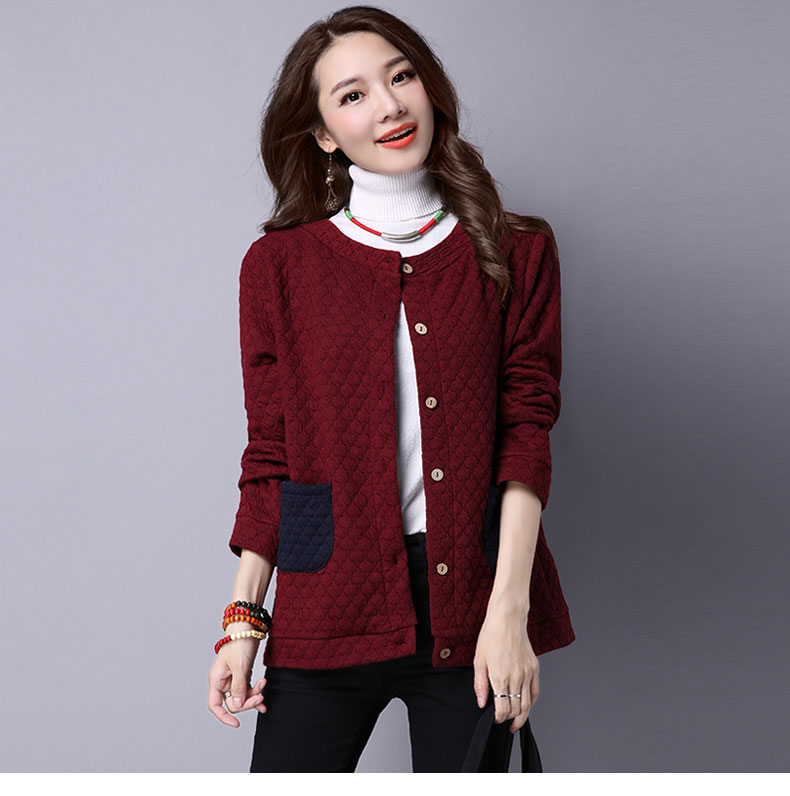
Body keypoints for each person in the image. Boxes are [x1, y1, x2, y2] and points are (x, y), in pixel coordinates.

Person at [207, 5, 575, 773]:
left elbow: (525, 433)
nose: (388, 105)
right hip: (326, 601)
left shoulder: (518, 251)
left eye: (400, 76)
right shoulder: (278, 267)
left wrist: (509, 612)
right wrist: (243, 624)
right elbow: (271, 453)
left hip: (471, 608)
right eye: (353, 95)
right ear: (321, 132)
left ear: (428, 87)